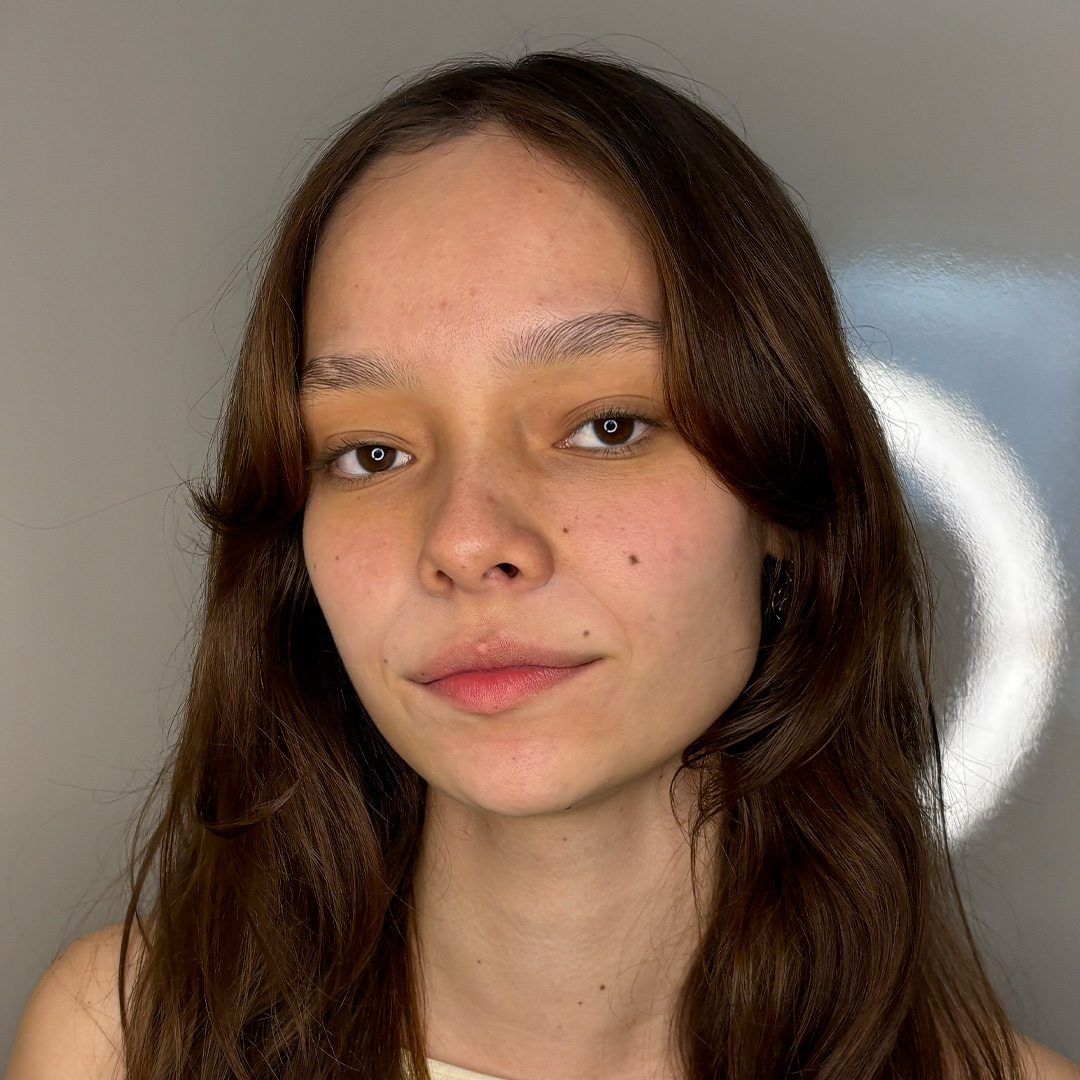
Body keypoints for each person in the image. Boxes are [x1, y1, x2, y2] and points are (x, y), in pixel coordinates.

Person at [5, 51, 1078, 1080]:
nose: (467, 541)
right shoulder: (122, 1041)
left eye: (607, 426)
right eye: (371, 453)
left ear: (785, 492)